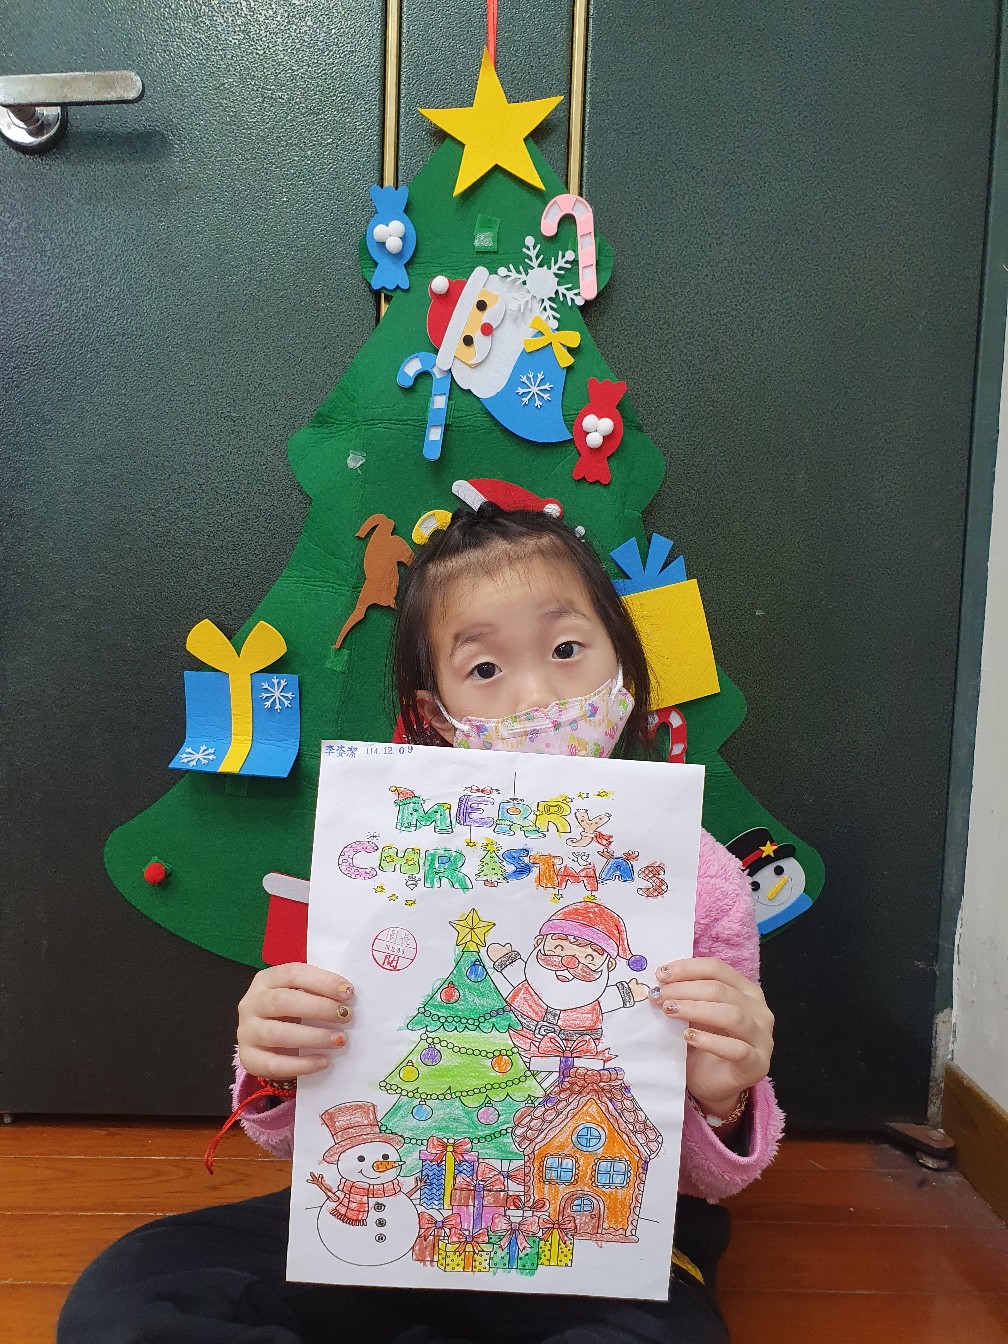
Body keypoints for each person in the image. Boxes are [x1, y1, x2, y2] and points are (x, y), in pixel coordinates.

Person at [58, 506, 782, 1344]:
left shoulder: (698, 880)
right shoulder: (378, 856)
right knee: (127, 1295)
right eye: (485, 667)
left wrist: (723, 1096)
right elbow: (307, 1133)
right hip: (386, 1210)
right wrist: (277, 1066)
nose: (538, 696)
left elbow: (708, 1178)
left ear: (623, 663)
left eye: (567, 649)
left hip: (591, 1247)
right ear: (436, 712)